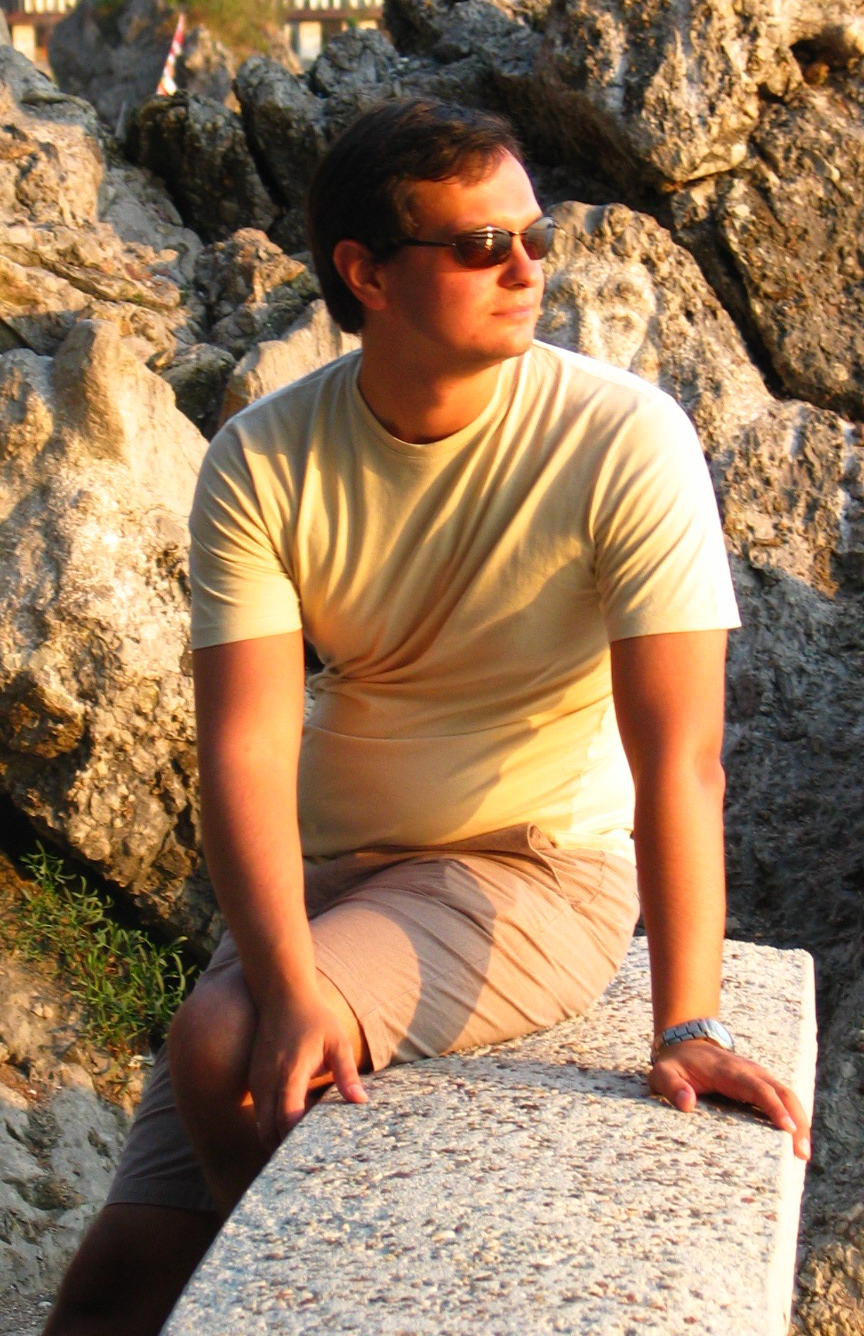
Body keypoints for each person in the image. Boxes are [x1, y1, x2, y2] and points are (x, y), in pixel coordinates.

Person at [43, 98, 811, 1336]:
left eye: (534, 238)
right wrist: (287, 963)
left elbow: (682, 756)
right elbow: (243, 746)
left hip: (532, 869)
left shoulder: (622, 439)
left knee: (223, 1044)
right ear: (366, 273)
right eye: (481, 245)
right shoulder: (264, 458)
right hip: (340, 878)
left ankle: (280, 1305)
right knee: (109, 1295)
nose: (527, 269)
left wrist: (688, 1020)